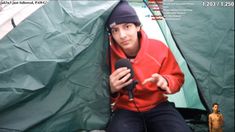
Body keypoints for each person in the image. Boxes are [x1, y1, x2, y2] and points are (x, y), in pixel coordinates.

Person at [105, 1, 192, 132]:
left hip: (158, 106)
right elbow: (97, 93)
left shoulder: (159, 48)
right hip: (124, 109)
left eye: (127, 26)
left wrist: (166, 81)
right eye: (115, 30)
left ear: (138, 26)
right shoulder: (106, 56)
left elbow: (177, 78)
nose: (122, 35)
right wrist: (111, 89)